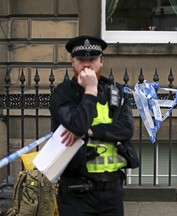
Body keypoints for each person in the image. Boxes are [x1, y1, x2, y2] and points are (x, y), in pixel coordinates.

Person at [49, 35, 135, 216]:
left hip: (111, 192)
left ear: (101, 61)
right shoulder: (63, 93)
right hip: (76, 194)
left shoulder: (115, 91)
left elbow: (126, 129)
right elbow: (77, 126)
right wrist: (90, 90)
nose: (87, 65)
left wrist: (91, 131)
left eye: (92, 59)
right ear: (72, 62)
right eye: (81, 59)